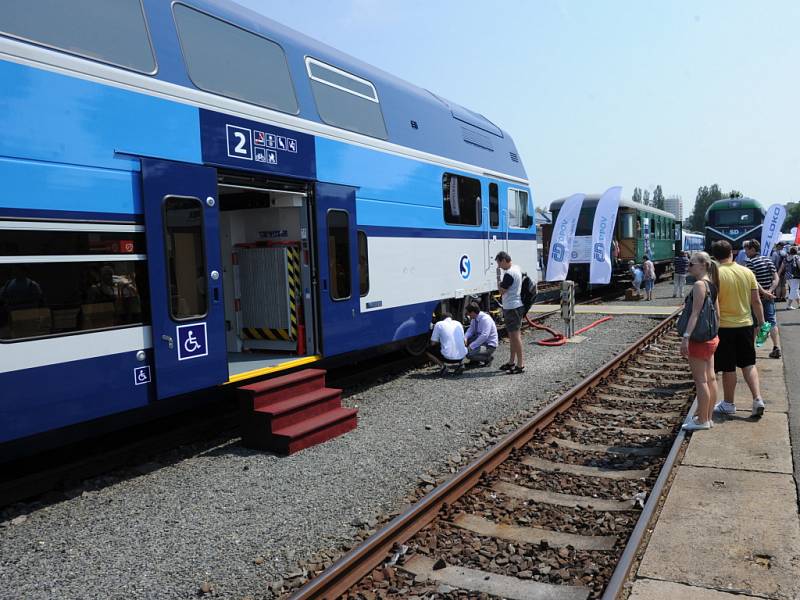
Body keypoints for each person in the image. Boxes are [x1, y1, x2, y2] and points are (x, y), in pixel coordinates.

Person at [710, 240, 766, 418]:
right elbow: (756, 301)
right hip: (746, 325)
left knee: (728, 367)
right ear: (732, 253)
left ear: (714, 256)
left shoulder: (714, 274)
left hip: (724, 327)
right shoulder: (747, 272)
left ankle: (728, 404)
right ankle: (757, 399)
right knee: (749, 363)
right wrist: (762, 323)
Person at [680, 251, 720, 431]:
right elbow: (718, 314)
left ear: (703, 265)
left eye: (691, 264)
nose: (688, 267)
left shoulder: (698, 285)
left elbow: (695, 314)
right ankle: (709, 417)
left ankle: (702, 419)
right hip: (711, 338)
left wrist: (686, 338)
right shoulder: (712, 284)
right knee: (711, 379)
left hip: (699, 340)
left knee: (701, 381)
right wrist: (714, 334)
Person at [744, 239, 782, 358]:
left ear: (752, 249)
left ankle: (751, 349)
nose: (745, 251)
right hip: (769, 296)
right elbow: (776, 278)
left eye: (747, 249)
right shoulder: (768, 260)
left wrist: (763, 292)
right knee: (771, 322)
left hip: (757, 298)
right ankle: (776, 347)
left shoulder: (750, 262)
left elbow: (753, 280)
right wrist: (770, 291)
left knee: (755, 324)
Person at [495, 251, 525, 374]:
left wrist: (498, 278)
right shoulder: (516, 268)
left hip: (512, 307)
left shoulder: (509, 274)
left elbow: (501, 291)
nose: (499, 267)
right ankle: (512, 362)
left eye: (499, 263)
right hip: (514, 306)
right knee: (512, 336)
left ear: (503, 260)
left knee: (515, 336)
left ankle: (520, 364)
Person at [464, 302, 498, 367]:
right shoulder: (474, 318)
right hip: (481, 342)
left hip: (489, 345)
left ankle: (488, 359)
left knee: (469, 355)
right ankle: (475, 361)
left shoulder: (485, 319)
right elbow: (471, 330)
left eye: (468, 313)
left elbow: (484, 336)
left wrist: (471, 346)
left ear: (473, 312)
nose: (468, 315)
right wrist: (465, 338)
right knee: (468, 340)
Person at [785, 246, 800, 310]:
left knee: (794, 290)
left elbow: (782, 267)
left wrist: (778, 274)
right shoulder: (797, 257)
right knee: (794, 290)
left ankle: (799, 304)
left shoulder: (786, 258)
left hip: (788, 276)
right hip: (796, 276)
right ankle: (789, 305)